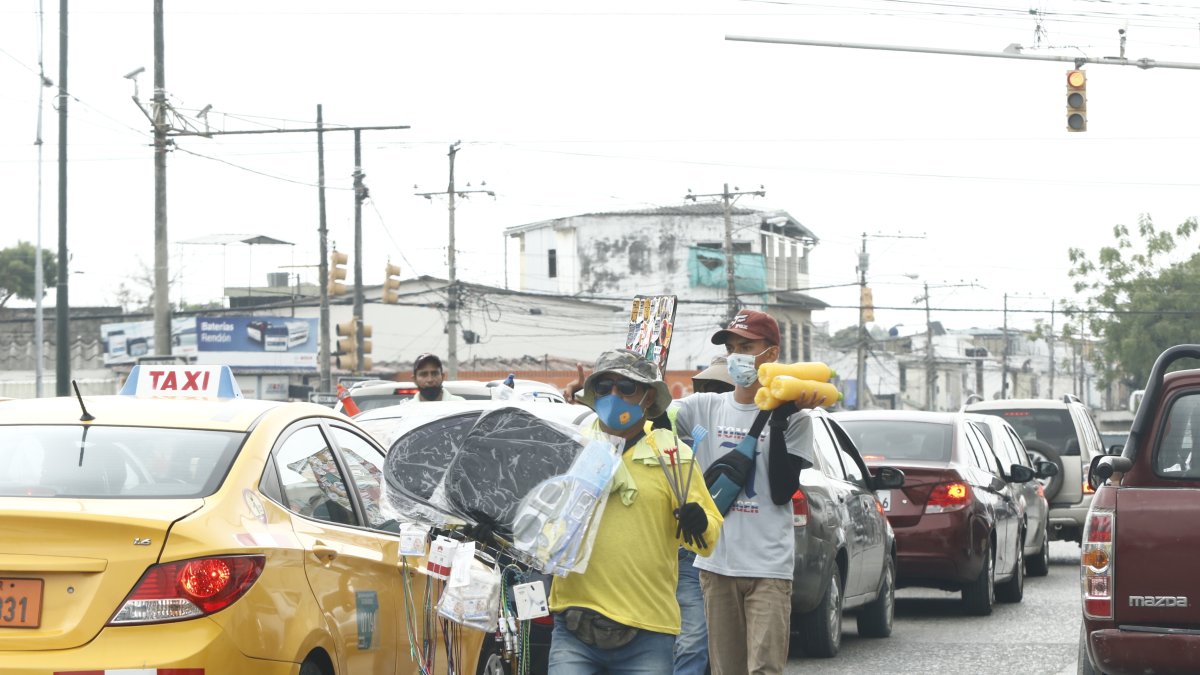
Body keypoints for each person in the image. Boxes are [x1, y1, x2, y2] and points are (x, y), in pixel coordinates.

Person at [548, 348, 723, 674]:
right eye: (604, 388)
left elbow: (709, 537)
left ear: (646, 397)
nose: (614, 396)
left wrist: (699, 521)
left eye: (626, 388)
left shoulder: (673, 456)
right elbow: (543, 525)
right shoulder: (574, 450)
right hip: (575, 626)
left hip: (648, 631)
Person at [673, 309, 816, 675]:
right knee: (727, 670)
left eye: (747, 346)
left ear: (771, 353)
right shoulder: (704, 407)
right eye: (732, 347)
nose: (737, 355)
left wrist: (780, 420)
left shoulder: (798, 419)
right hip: (716, 565)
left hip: (768, 568)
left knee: (765, 668)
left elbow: (783, 490)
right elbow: (655, 417)